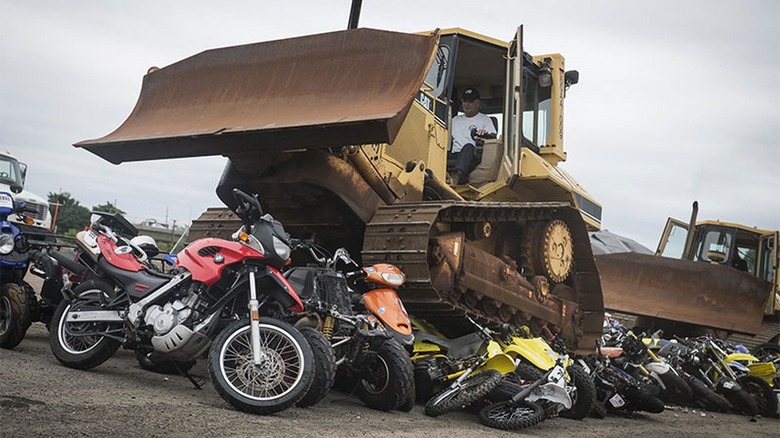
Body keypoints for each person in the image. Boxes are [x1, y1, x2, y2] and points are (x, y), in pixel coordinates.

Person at [450, 87, 497, 184]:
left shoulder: (485, 120)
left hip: (474, 156)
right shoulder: (454, 120)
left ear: (478, 103)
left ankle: (456, 176)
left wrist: (484, 134)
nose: (467, 104)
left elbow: (493, 138)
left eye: (470, 101)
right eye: (464, 101)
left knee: (468, 146)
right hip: (455, 154)